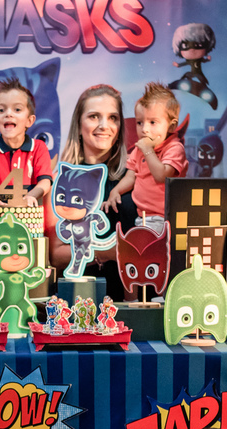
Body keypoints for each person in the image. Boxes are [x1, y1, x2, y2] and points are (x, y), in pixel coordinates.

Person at [47, 85, 136, 300]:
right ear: (78, 125)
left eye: (113, 118)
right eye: (94, 116)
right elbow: (55, 256)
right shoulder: (59, 180)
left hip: (130, 304)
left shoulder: (136, 178)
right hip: (77, 301)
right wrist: (106, 252)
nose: (104, 126)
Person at [107, 82, 188, 235]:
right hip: (143, 216)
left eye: (152, 122)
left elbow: (162, 176)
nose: (144, 129)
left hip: (165, 218)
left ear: (171, 126)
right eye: (140, 122)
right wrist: (116, 191)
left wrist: (148, 150)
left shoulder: (174, 148)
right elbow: (131, 176)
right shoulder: (140, 149)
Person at [0, 77, 52, 207]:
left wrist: (31, 196)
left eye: (17, 109)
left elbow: (45, 181)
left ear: (29, 121)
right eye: (1, 110)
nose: (8, 114)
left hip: (29, 218)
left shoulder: (39, 148)